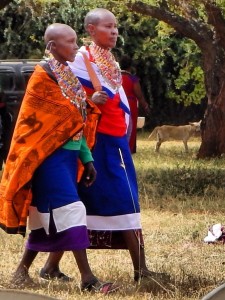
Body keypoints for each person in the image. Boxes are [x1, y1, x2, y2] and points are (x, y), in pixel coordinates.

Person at [44, 8, 164, 283]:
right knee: (119, 201)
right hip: (96, 145)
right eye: (108, 27)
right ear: (90, 30)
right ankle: (140, 270)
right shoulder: (79, 61)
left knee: (98, 204)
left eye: (116, 27)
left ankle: (51, 266)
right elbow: (66, 98)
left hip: (115, 143)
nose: (114, 32)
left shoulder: (107, 62)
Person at [0, 23, 117, 294]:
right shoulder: (42, 77)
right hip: (47, 161)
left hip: (67, 159)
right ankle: (88, 279)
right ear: (53, 46)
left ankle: (21, 272)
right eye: (70, 42)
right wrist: (87, 106)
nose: (76, 46)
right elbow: (62, 119)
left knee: (46, 219)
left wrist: (87, 159)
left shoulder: (67, 75)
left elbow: (77, 121)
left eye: (76, 41)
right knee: (71, 211)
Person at [119, 55, 150, 153]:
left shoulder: (115, 78)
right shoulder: (133, 79)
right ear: (130, 66)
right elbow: (139, 95)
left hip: (117, 103)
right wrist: (145, 106)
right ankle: (129, 148)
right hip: (130, 104)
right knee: (130, 126)